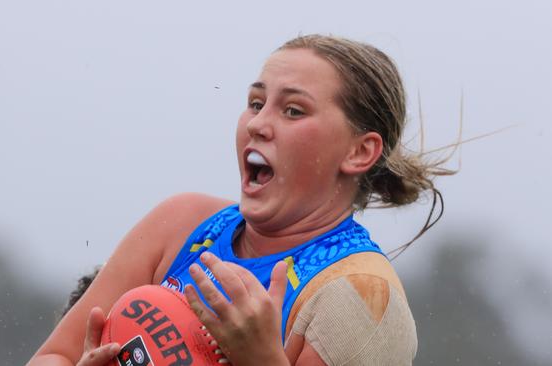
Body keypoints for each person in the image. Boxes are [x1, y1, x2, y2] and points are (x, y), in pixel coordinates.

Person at [29, 34, 452, 366]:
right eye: (255, 103)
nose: (259, 124)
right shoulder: (179, 224)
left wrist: (260, 360)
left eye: (293, 111)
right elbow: (52, 356)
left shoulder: (358, 296)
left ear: (359, 152)